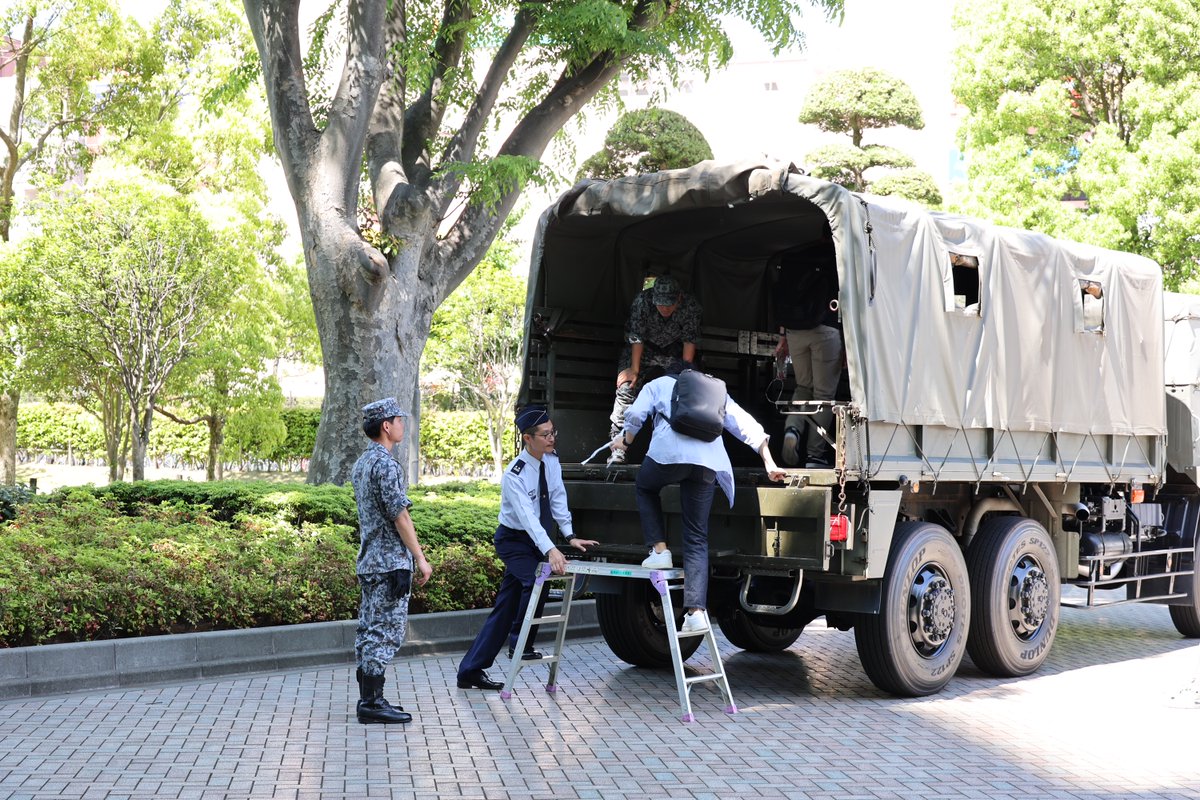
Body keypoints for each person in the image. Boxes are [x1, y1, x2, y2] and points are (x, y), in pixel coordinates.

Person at [609, 361, 786, 633]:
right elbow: (744, 424)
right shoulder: (713, 391)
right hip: (707, 464)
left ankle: (659, 550)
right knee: (696, 535)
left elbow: (635, 414)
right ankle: (696, 612)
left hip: (669, 456)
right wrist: (769, 462)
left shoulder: (657, 384)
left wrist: (626, 440)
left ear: (669, 371)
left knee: (645, 487)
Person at [457, 405, 599, 690]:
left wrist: (569, 536)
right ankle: (520, 646)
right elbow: (528, 519)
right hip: (514, 541)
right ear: (527, 438)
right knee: (536, 580)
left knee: (506, 606)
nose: (552, 438)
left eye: (552, 432)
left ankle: (470, 671)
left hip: (536, 539)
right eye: (545, 435)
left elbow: (557, 499)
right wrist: (550, 550)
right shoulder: (515, 474)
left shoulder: (552, 462)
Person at [351, 397, 433, 725]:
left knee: (370, 628)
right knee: (386, 631)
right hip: (390, 565)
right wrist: (420, 559)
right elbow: (400, 516)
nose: (403, 425)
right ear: (387, 426)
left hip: (371, 561)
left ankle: (371, 698)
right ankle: (371, 703)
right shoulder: (385, 465)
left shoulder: (362, 463)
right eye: (399, 420)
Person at [608, 274, 703, 464]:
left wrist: (684, 374)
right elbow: (637, 337)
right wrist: (634, 370)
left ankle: (683, 451)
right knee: (626, 387)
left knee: (687, 391)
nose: (664, 308)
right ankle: (618, 445)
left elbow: (689, 342)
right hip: (643, 349)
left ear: (679, 299)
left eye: (669, 304)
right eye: (660, 304)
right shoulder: (642, 302)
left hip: (674, 350)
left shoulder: (691, 306)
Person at [773, 240, 841, 468]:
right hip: (825, 330)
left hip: (795, 331)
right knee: (823, 394)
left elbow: (783, 298)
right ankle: (815, 455)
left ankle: (793, 429)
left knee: (803, 387)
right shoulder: (840, 257)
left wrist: (782, 336)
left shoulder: (798, 256)